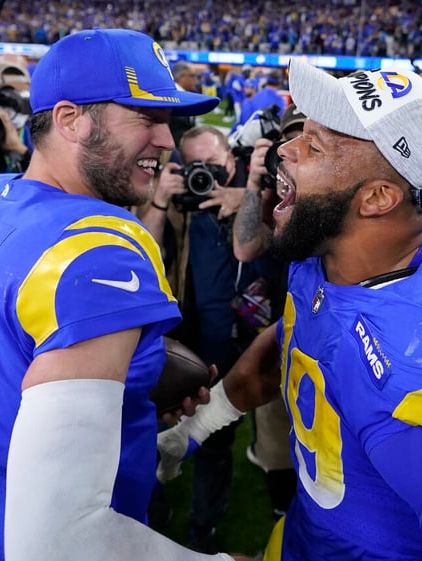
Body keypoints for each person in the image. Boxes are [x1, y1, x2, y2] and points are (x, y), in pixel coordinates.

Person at [158, 58, 422, 560]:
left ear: (378, 197)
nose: (284, 151)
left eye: (314, 144)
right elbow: (296, 337)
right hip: (304, 536)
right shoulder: (337, 247)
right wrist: (196, 428)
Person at [0, 28, 253, 561]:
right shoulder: (96, 246)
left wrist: (127, 390)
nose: (167, 142)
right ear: (70, 118)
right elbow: (60, 540)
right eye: (146, 119)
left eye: (168, 122)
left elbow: (7, 355)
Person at [145, 123, 275, 552]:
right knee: (187, 438)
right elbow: (144, 252)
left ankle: (209, 527)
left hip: (255, 339)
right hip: (198, 342)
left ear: (232, 162)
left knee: (238, 441)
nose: (207, 177)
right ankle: (175, 523)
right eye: (195, 166)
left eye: (214, 166)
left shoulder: (257, 194)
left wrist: (247, 197)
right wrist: (162, 200)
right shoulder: (178, 205)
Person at [232, 102, 305, 522]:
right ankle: (283, 513)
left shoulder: (331, 196)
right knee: (278, 443)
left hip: (329, 340)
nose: (293, 154)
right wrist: (256, 182)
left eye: (305, 142)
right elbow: (245, 246)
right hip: (282, 336)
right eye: (288, 143)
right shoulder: (273, 198)